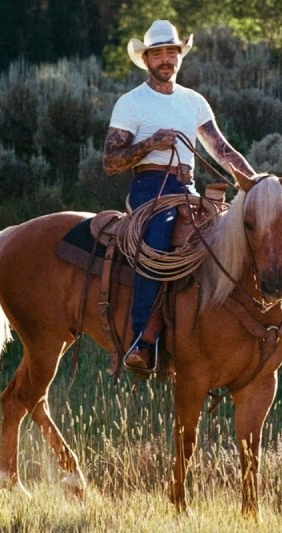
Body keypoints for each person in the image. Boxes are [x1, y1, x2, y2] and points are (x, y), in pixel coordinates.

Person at [103, 19, 256, 372]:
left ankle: (218, 337)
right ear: (146, 59)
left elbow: (222, 150)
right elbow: (110, 162)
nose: (166, 59)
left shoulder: (194, 101)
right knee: (158, 241)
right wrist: (150, 144)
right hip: (149, 189)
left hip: (186, 189)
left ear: (180, 56)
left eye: (172, 52)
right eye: (158, 53)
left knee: (231, 235)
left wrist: (255, 183)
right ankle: (142, 340)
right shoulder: (132, 103)